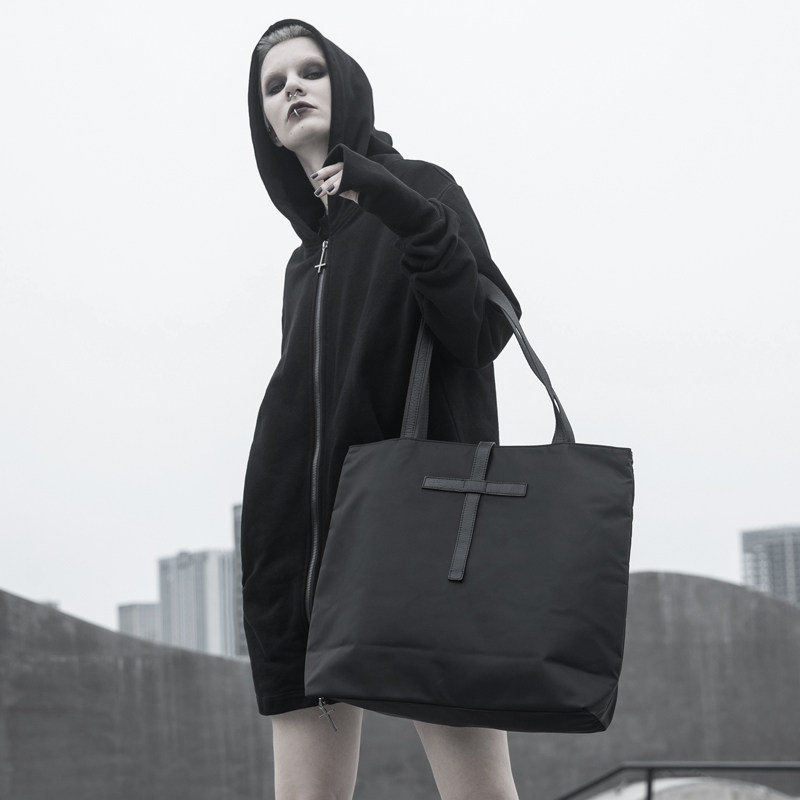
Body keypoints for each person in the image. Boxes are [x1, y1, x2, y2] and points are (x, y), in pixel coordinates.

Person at [241, 19, 521, 800]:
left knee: (479, 792)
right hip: (298, 557)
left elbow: (479, 330)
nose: (293, 88)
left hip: (421, 536)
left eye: (309, 71)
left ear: (346, 87)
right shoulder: (305, 261)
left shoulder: (423, 190)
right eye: (273, 85)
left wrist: (398, 205)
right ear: (266, 126)